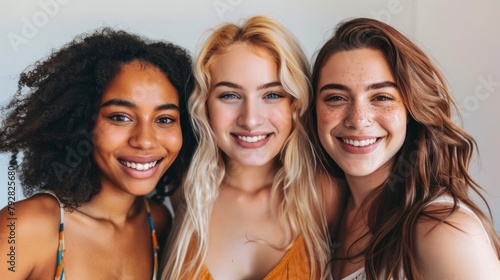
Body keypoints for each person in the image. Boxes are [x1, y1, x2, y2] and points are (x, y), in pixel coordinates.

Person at [308, 17, 500, 279]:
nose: (357, 119)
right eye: (336, 98)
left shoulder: (443, 230)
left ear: (411, 110)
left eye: (382, 97)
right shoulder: (324, 213)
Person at [0, 28, 195, 279]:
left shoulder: (157, 223)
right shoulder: (27, 227)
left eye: (165, 119)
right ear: (81, 123)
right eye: (120, 117)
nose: (145, 140)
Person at [161, 15, 343, 280]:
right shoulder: (181, 192)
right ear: (205, 105)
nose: (250, 119)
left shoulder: (328, 196)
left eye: (272, 95)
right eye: (230, 95)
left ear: (296, 103)